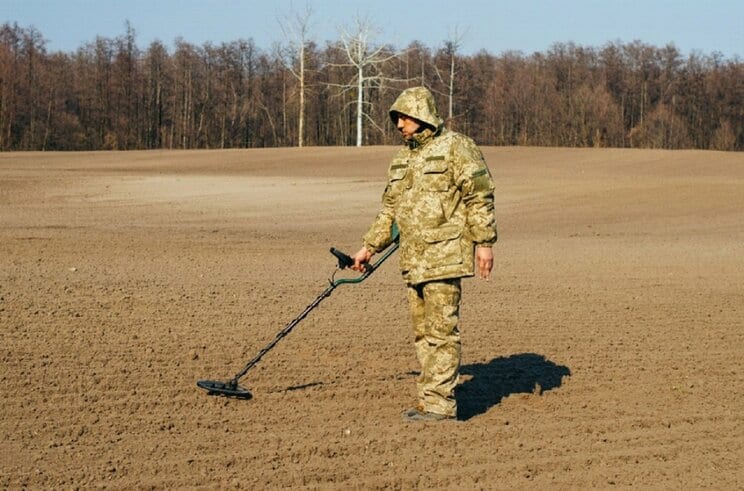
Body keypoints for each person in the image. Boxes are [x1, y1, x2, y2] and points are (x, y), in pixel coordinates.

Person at [351, 86, 497, 422]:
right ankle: (429, 399)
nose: (399, 124)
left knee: (442, 332)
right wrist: (368, 248)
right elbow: (390, 210)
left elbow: (479, 196)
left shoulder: (456, 147)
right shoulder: (402, 158)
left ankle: (440, 406)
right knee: (422, 333)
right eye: (397, 118)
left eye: (404, 117)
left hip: (445, 256)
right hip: (413, 260)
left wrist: (484, 243)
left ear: (421, 115)